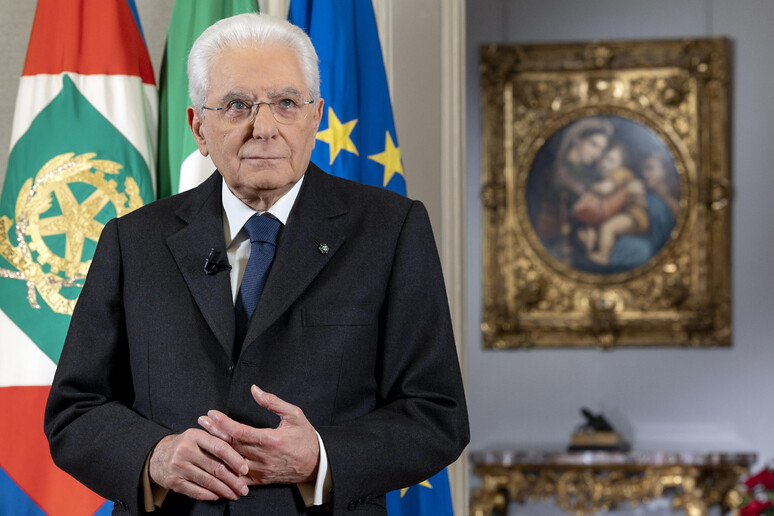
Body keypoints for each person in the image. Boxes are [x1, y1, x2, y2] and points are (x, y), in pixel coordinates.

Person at [44, 13, 468, 516]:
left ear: (316, 117)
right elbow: (75, 410)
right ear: (199, 127)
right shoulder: (133, 240)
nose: (263, 129)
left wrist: (321, 458)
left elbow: (437, 415)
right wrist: (154, 456)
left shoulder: (390, 230)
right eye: (237, 106)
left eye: (286, 103)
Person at [577, 141, 650, 266]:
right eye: (602, 159)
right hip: (616, 213)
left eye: (610, 160)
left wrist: (589, 188)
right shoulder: (603, 177)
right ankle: (590, 252)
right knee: (592, 228)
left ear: (622, 164)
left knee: (608, 228)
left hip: (634, 216)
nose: (604, 163)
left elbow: (605, 189)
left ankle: (603, 256)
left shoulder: (621, 173)